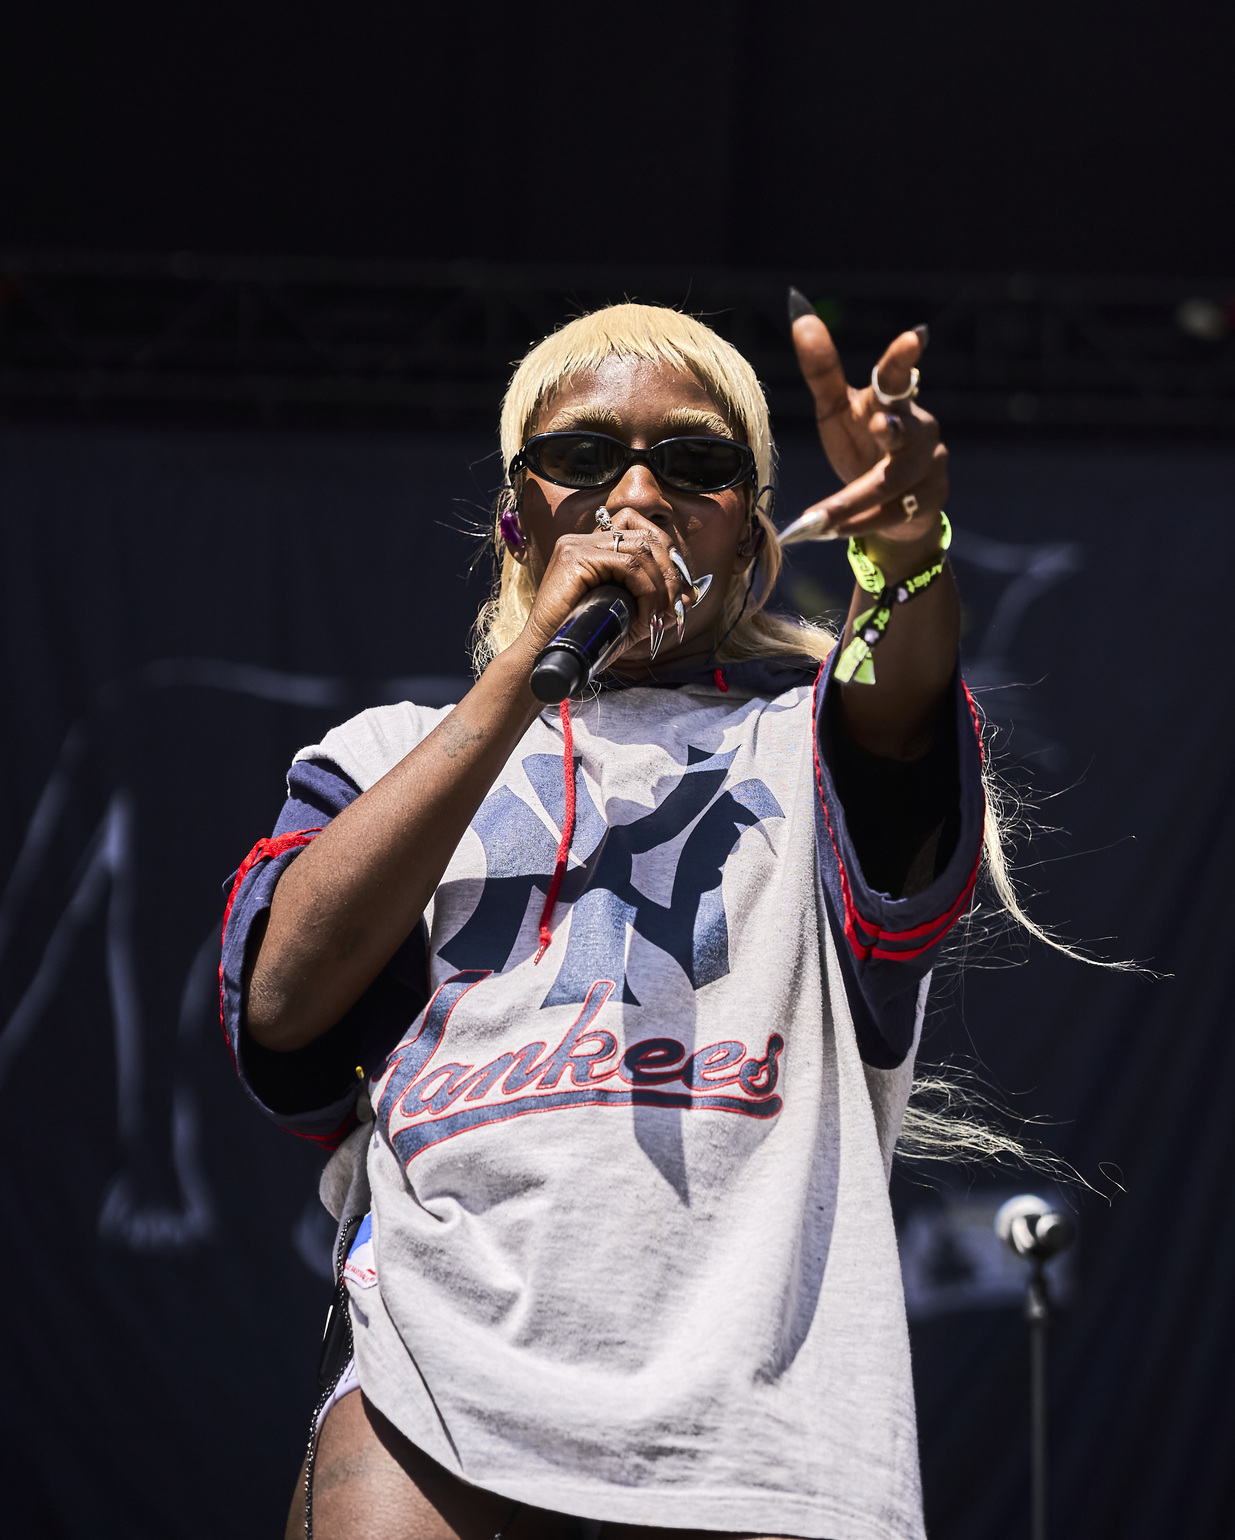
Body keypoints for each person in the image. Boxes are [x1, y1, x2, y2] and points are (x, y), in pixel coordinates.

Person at [220, 297, 994, 1540]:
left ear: (749, 534)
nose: (635, 494)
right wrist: (528, 664)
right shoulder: (386, 755)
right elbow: (282, 999)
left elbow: (899, 711)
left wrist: (903, 559)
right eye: (583, 456)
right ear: (516, 516)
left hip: (753, 1419)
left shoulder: (808, 742)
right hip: (439, 1374)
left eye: (693, 464)